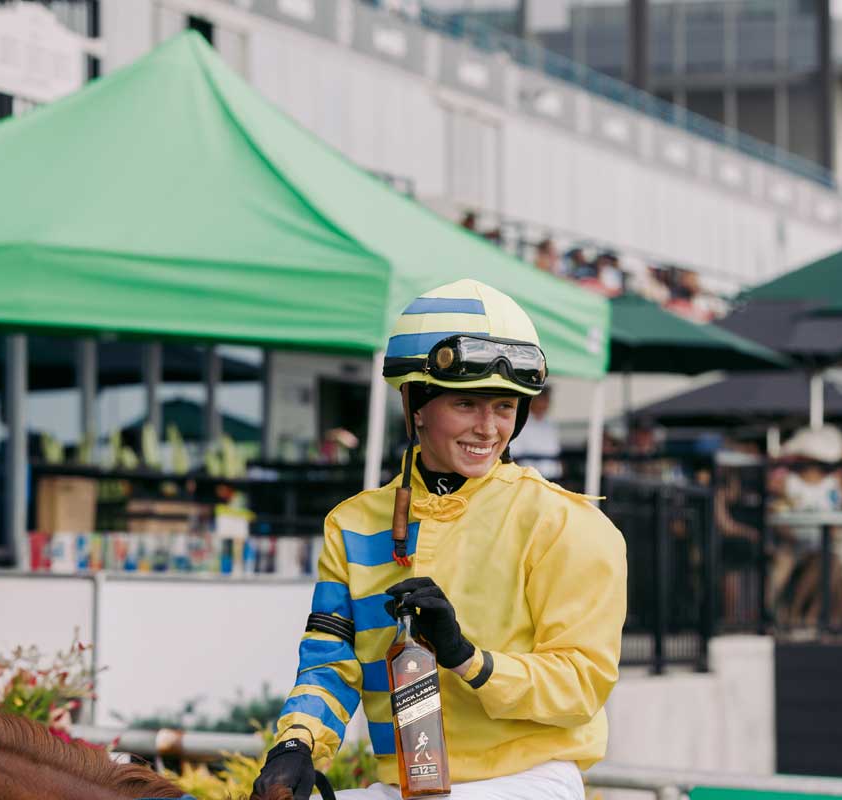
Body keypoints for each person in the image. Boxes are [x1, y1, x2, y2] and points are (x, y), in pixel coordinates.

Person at [252, 279, 627, 800]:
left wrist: (466, 656)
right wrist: (295, 745)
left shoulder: (568, 523)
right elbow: (329, 661)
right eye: (467, 404)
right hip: (406, 787)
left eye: (504, 406)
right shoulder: (354, 523)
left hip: (526, 781)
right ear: (416, 404)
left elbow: (581, 684)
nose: (488, 428)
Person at [514, 385, 562, 479]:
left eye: (547, 398)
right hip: (529, 478)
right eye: (541, 398)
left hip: (552, 477)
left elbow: (555, 451)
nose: (545, 402)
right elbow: (515, 456)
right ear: (531, 400)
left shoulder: (550, 423)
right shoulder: (521, 422)